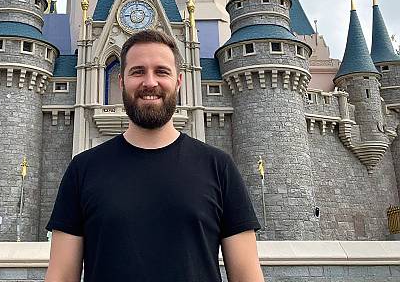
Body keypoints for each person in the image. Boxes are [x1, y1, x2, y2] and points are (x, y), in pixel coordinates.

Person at [45, 29, 264, 282]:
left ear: (179, 82)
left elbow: (248, 275)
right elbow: (60, 275)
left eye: (162, 71)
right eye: (138, 71)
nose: (150, 82)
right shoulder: (82, 170)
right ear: (121, 81)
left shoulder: (219, 167)